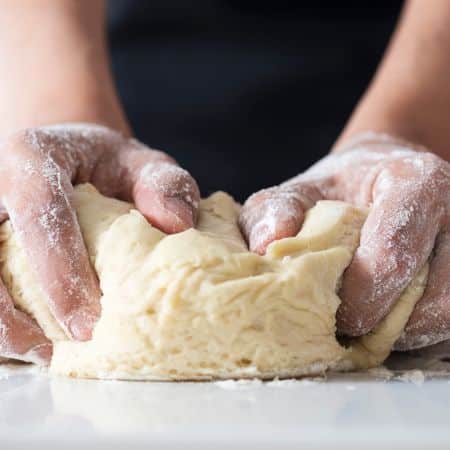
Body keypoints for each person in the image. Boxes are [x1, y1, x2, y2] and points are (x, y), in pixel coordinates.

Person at [0, 0, 448, 365]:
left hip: (392, 68)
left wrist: (411, 130)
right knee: (50, 234)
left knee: (399, 240)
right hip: (130, 64)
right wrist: (59, 111)